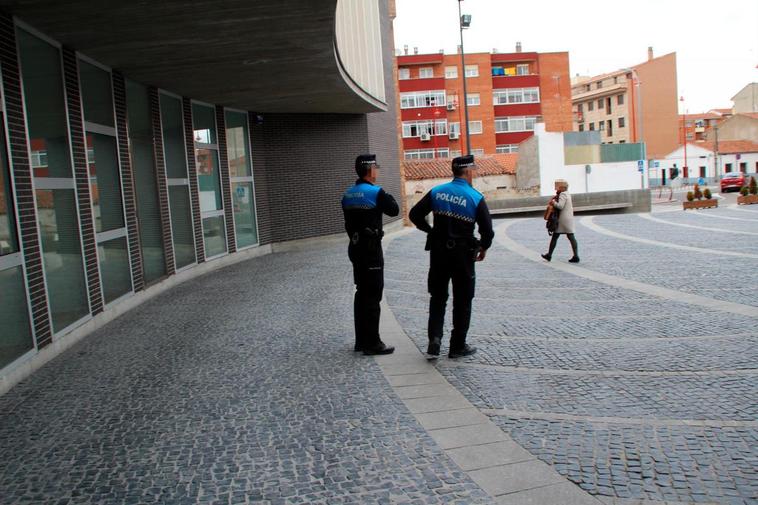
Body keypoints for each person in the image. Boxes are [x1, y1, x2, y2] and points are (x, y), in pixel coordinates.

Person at [409, 155, 494, 359]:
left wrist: (430, 230)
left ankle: (434, 340)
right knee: (463, 299)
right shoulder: (475, 197)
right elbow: (487, 230)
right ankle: (457, 346)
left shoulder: (437, 192)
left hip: (439, 252)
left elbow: (414, 214)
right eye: (473, 170)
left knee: (438, 297)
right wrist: (483, 247)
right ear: (467, 172)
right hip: (463, 254)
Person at [342, 154, 399, 355]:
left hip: (355, 248)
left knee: (361, 292)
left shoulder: (348, 194)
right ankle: (373, 343)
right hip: (372, 249)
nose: (378, 170)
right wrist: (387, 195)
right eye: (377, 167)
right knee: (373, 294)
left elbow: (348, 224)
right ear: (370, 170)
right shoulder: (376, 192)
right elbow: (394, 210)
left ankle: (361, 341)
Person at [541, 179, 579, 263]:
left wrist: (553, 202)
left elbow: (560, 206)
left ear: (561, 187)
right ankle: (576, 256)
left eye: (557, 187)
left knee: (555, 236)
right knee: (571, 237)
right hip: (568, 219)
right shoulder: (567, 194)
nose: (556, 189)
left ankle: (549, 255)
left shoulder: (562, 195)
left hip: (562, 220)